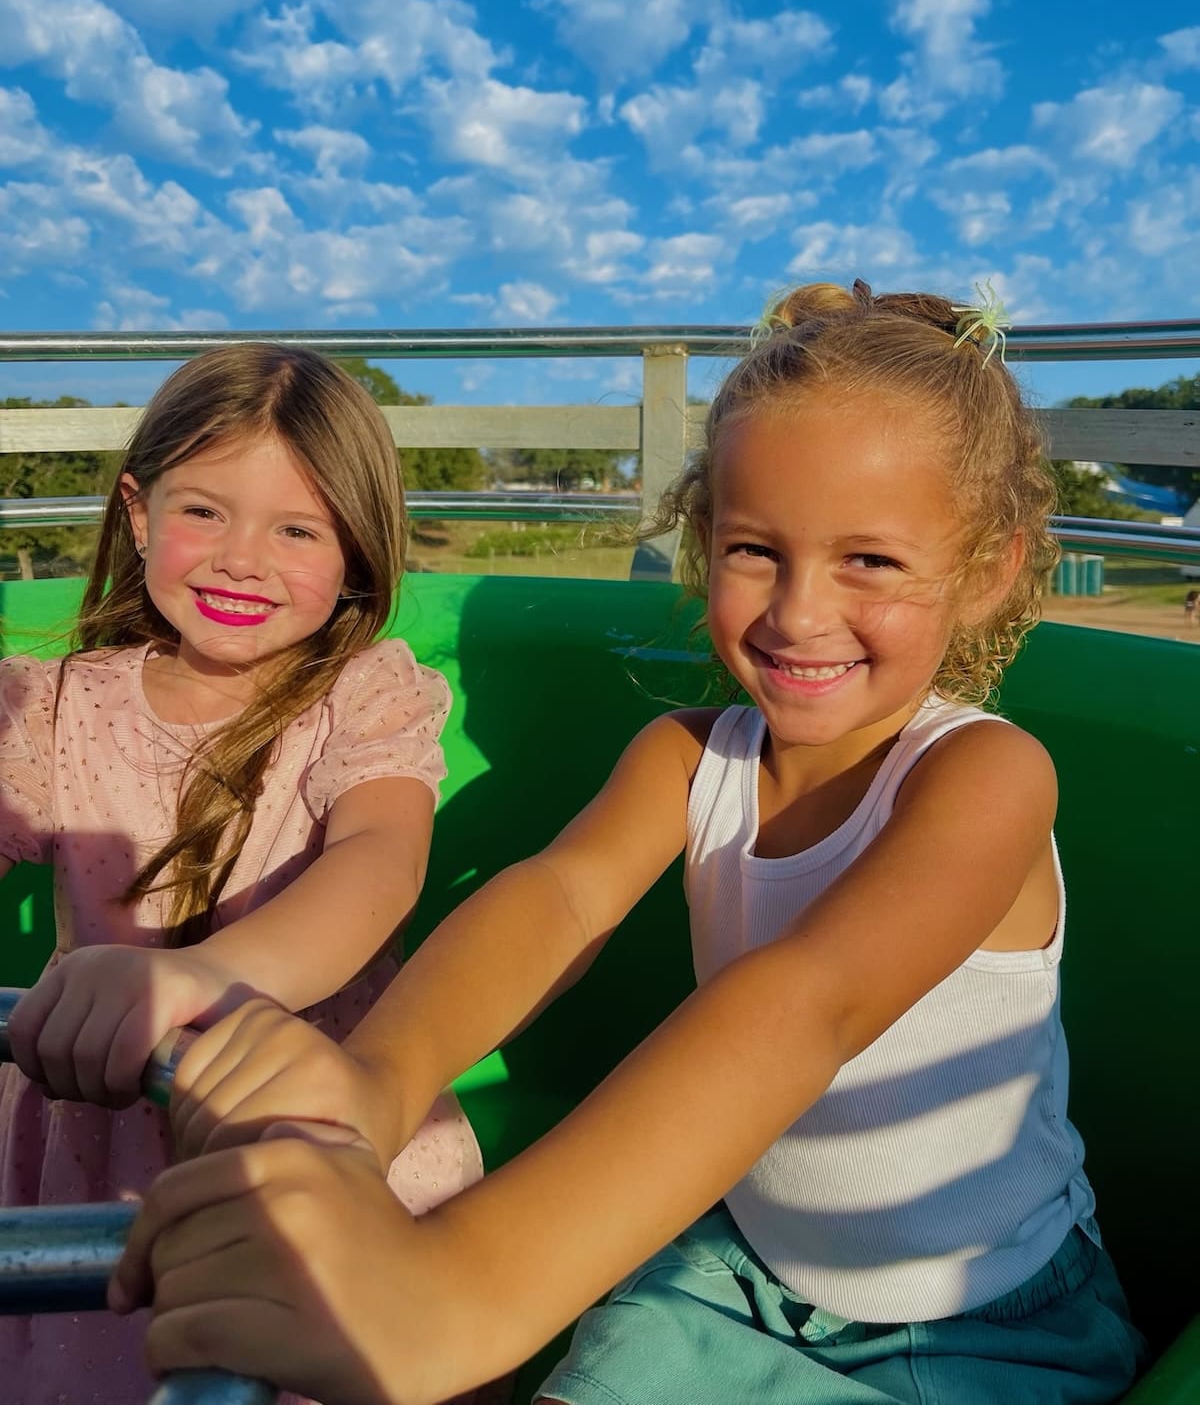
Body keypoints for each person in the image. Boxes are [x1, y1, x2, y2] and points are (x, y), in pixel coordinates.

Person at [114, 284, 1144, 1405]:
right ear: (704, 541)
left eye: (872, 563)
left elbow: (811, 1002)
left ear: (987, 569)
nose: (799, 613)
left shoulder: (984, 776)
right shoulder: (687, 758)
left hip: (982, 1322)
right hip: (736, 1272)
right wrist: (377, 1078)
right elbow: (556, 901)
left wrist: (457, 1287)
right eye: (757, 550)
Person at [0, 344, 484, 1405]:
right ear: (137, 512)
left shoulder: (362, 698)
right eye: (205, 513)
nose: (241, 560)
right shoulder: (53, 706)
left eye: (297, 529)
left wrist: (201, 978)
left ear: (355, 551)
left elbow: (380, 861)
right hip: (95, 1141)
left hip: (312, 1126)